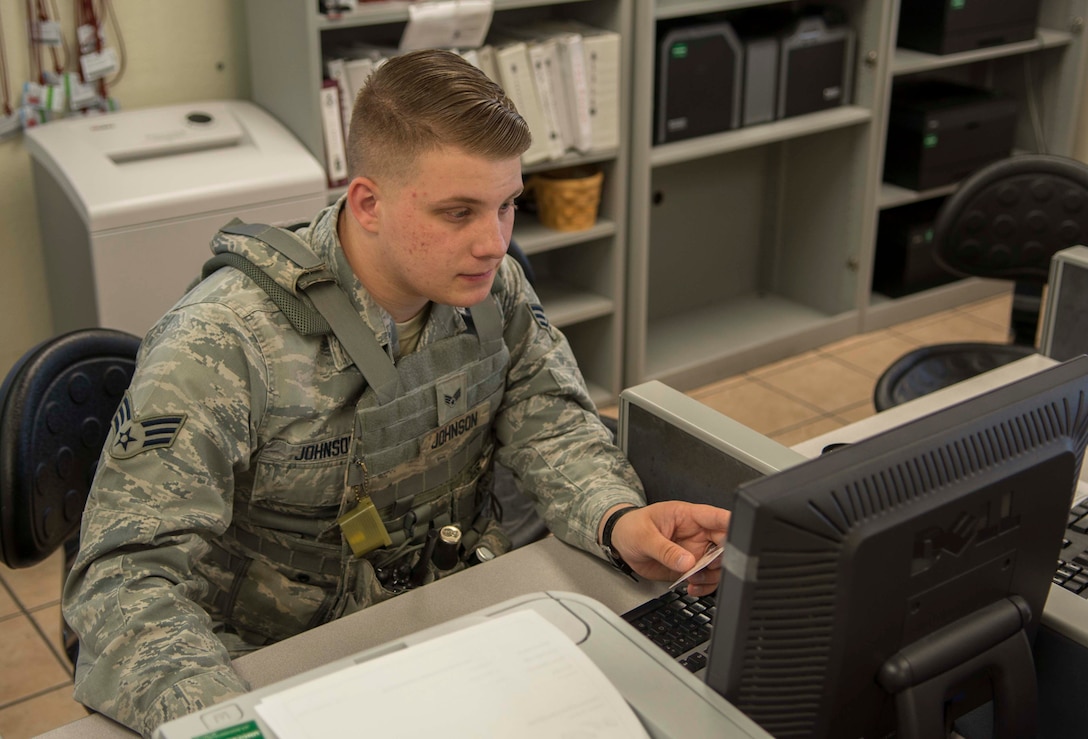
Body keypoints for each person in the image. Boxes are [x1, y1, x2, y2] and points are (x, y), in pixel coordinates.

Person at [62, 48, 731, 737]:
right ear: (368, 202)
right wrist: (227, 724)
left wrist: (617, 518)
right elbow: (126, 581)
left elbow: (551, 422)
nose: (495, 242)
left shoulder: (490, 289)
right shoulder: (223, 342)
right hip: (278, 665)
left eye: (508, 205)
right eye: (458, 212)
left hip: (465, 622)